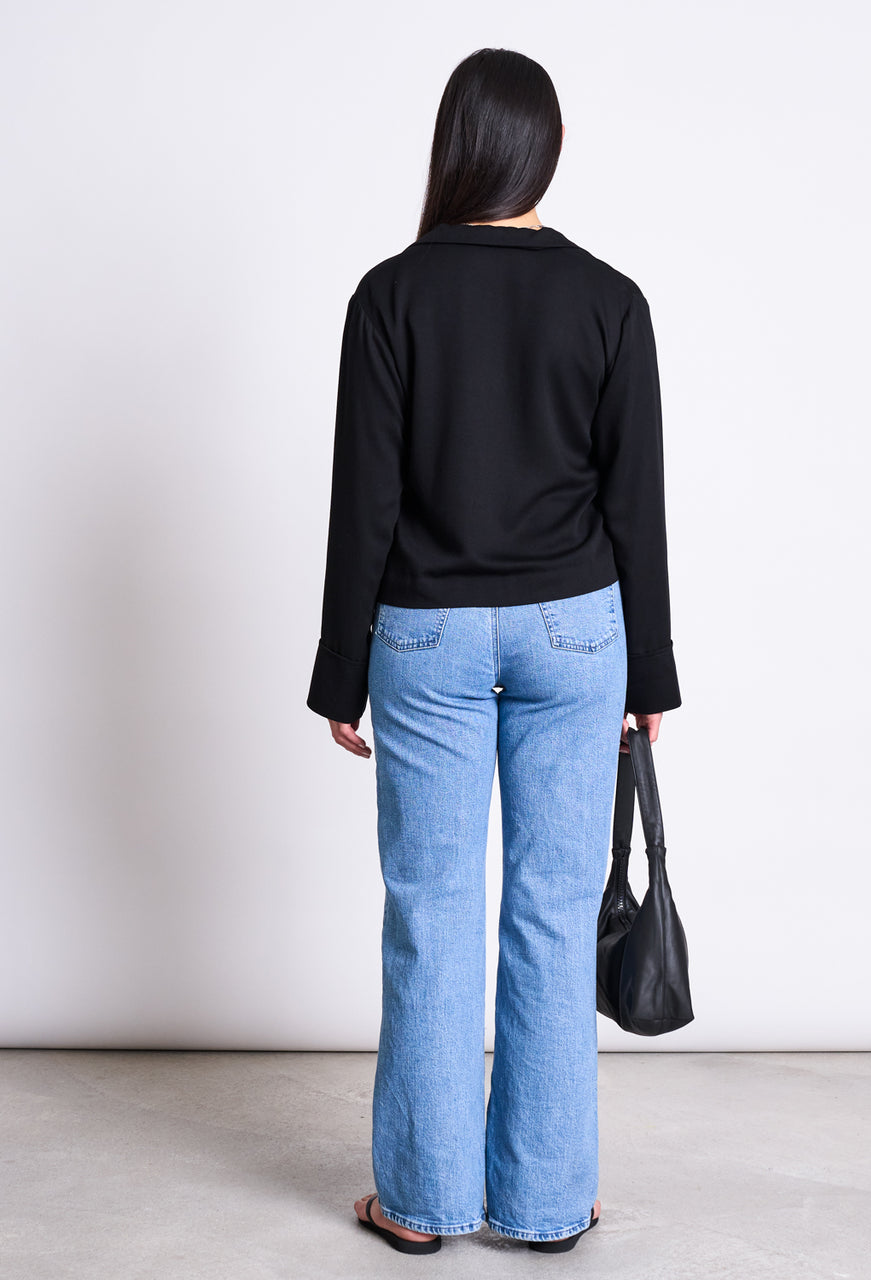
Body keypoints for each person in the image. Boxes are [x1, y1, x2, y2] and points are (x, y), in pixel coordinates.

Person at [306, 46, 682, 1255]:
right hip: (580, 630)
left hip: (425, 636)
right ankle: (543, 1200)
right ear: (545, 151)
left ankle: (418, 1202)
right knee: (553, 913)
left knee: (431, 907)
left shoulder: (391, 295)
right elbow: (637, 505)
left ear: (455, 145)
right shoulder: (609, 299)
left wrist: (338, 669)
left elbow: (362, 502)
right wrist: (654, 674)